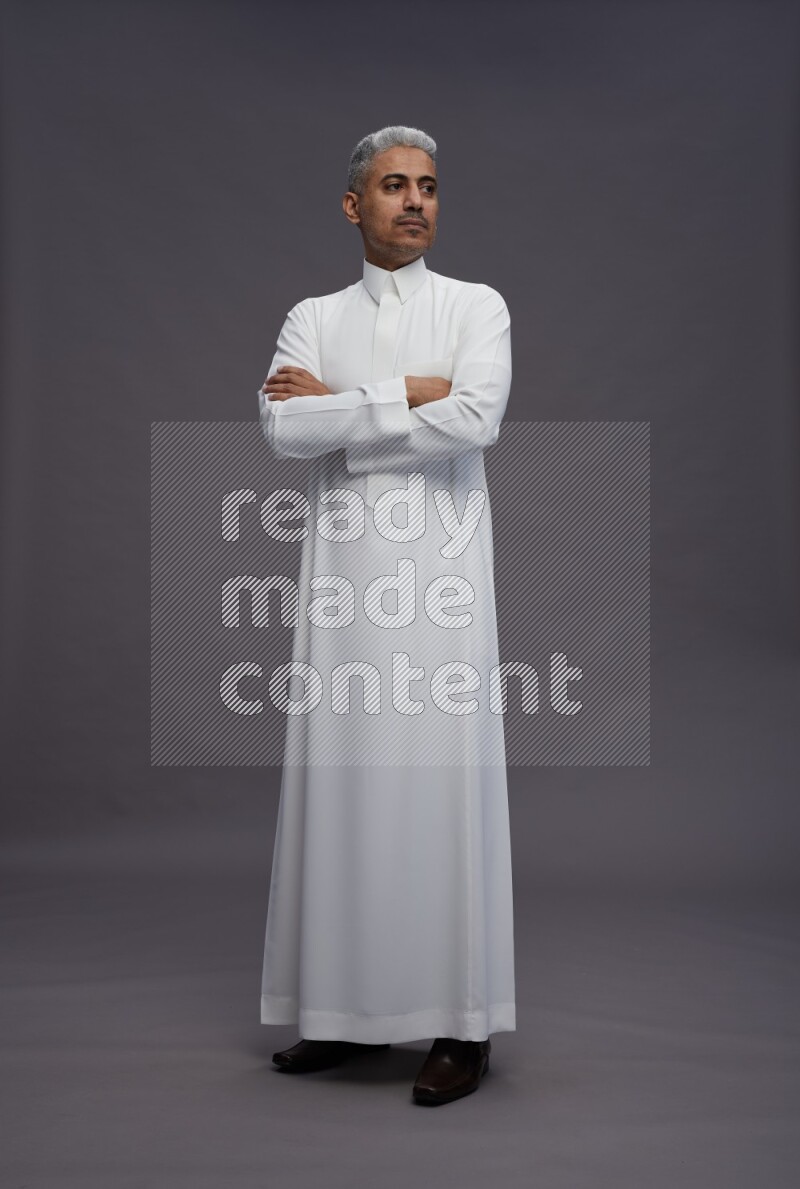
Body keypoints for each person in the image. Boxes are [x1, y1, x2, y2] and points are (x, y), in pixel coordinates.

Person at [256, 125, 515, 1106]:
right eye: (395, 185)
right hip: (343, 591)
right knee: (344, 787)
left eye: (429, 187)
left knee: (440, 789)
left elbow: (477, 416)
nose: (415, 202)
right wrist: (410, 393)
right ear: (352, 204)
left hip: (441, 587)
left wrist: (347, 403)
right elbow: (282, 426)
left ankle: (460, 1024)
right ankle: (342, 1013)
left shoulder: (474, 305)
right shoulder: (312, 315)